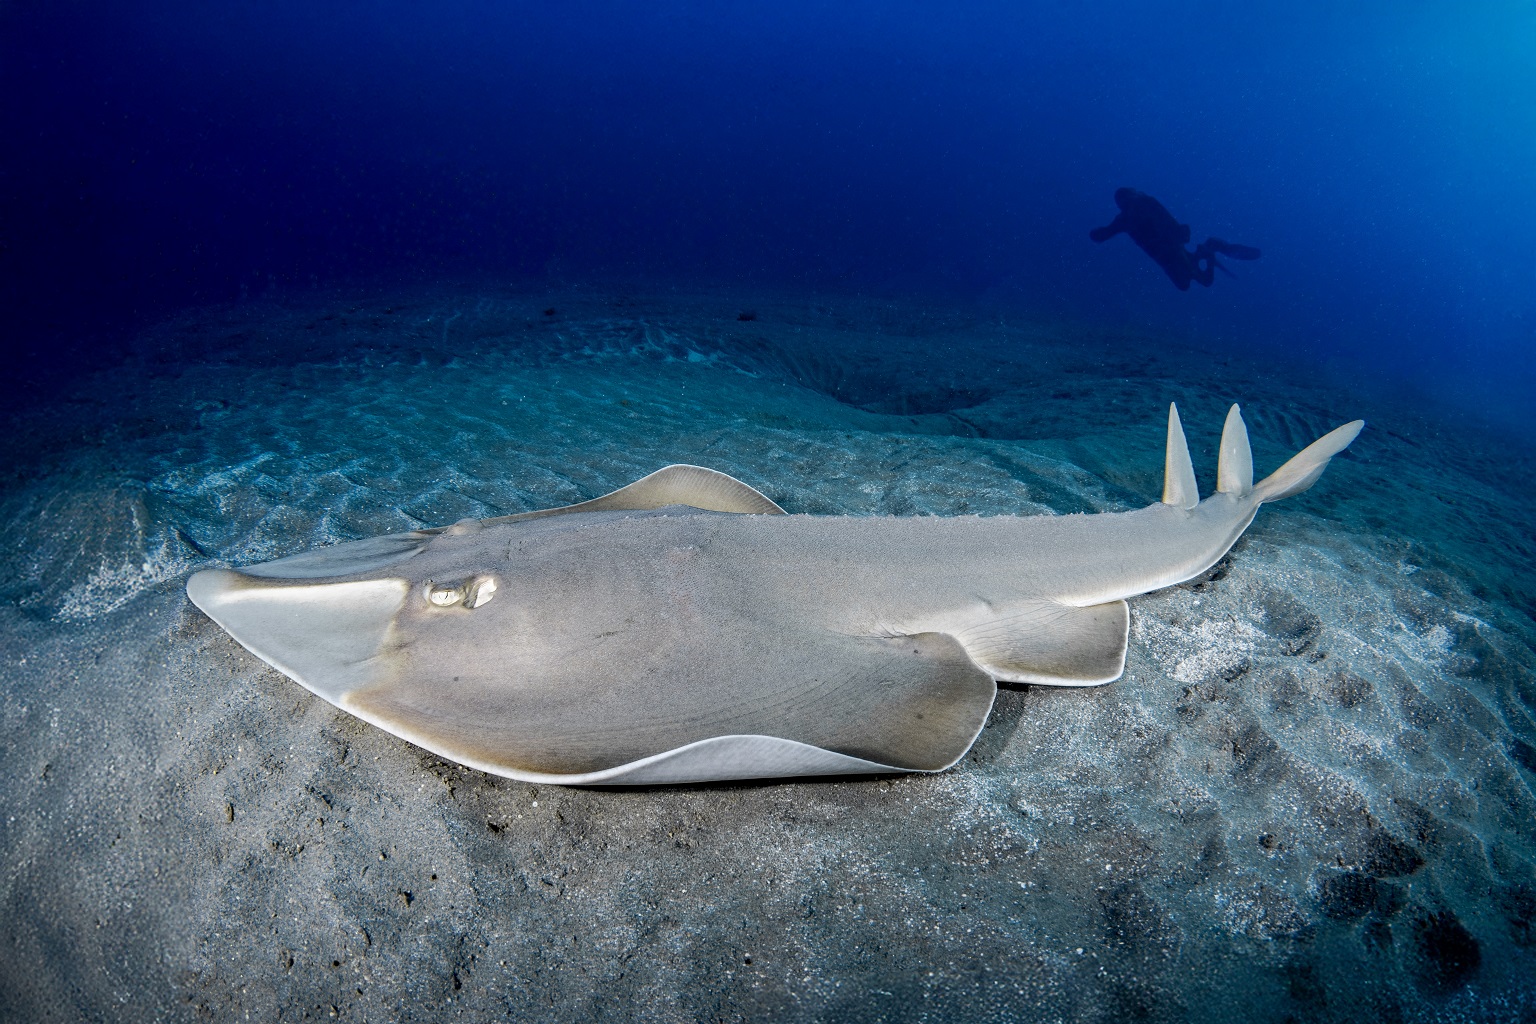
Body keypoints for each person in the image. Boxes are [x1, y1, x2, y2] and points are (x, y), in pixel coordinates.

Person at [1090, 188, 1261, 290]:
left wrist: (1098, 232)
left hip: (1168, 248)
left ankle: (1211, 249)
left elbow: (1103, 235)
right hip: (1167, 250)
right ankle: (1209, 249)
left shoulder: (1136, 209)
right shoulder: (1131, 213)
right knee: (1187, 283)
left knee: (1190, 282)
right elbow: (1103, 234)